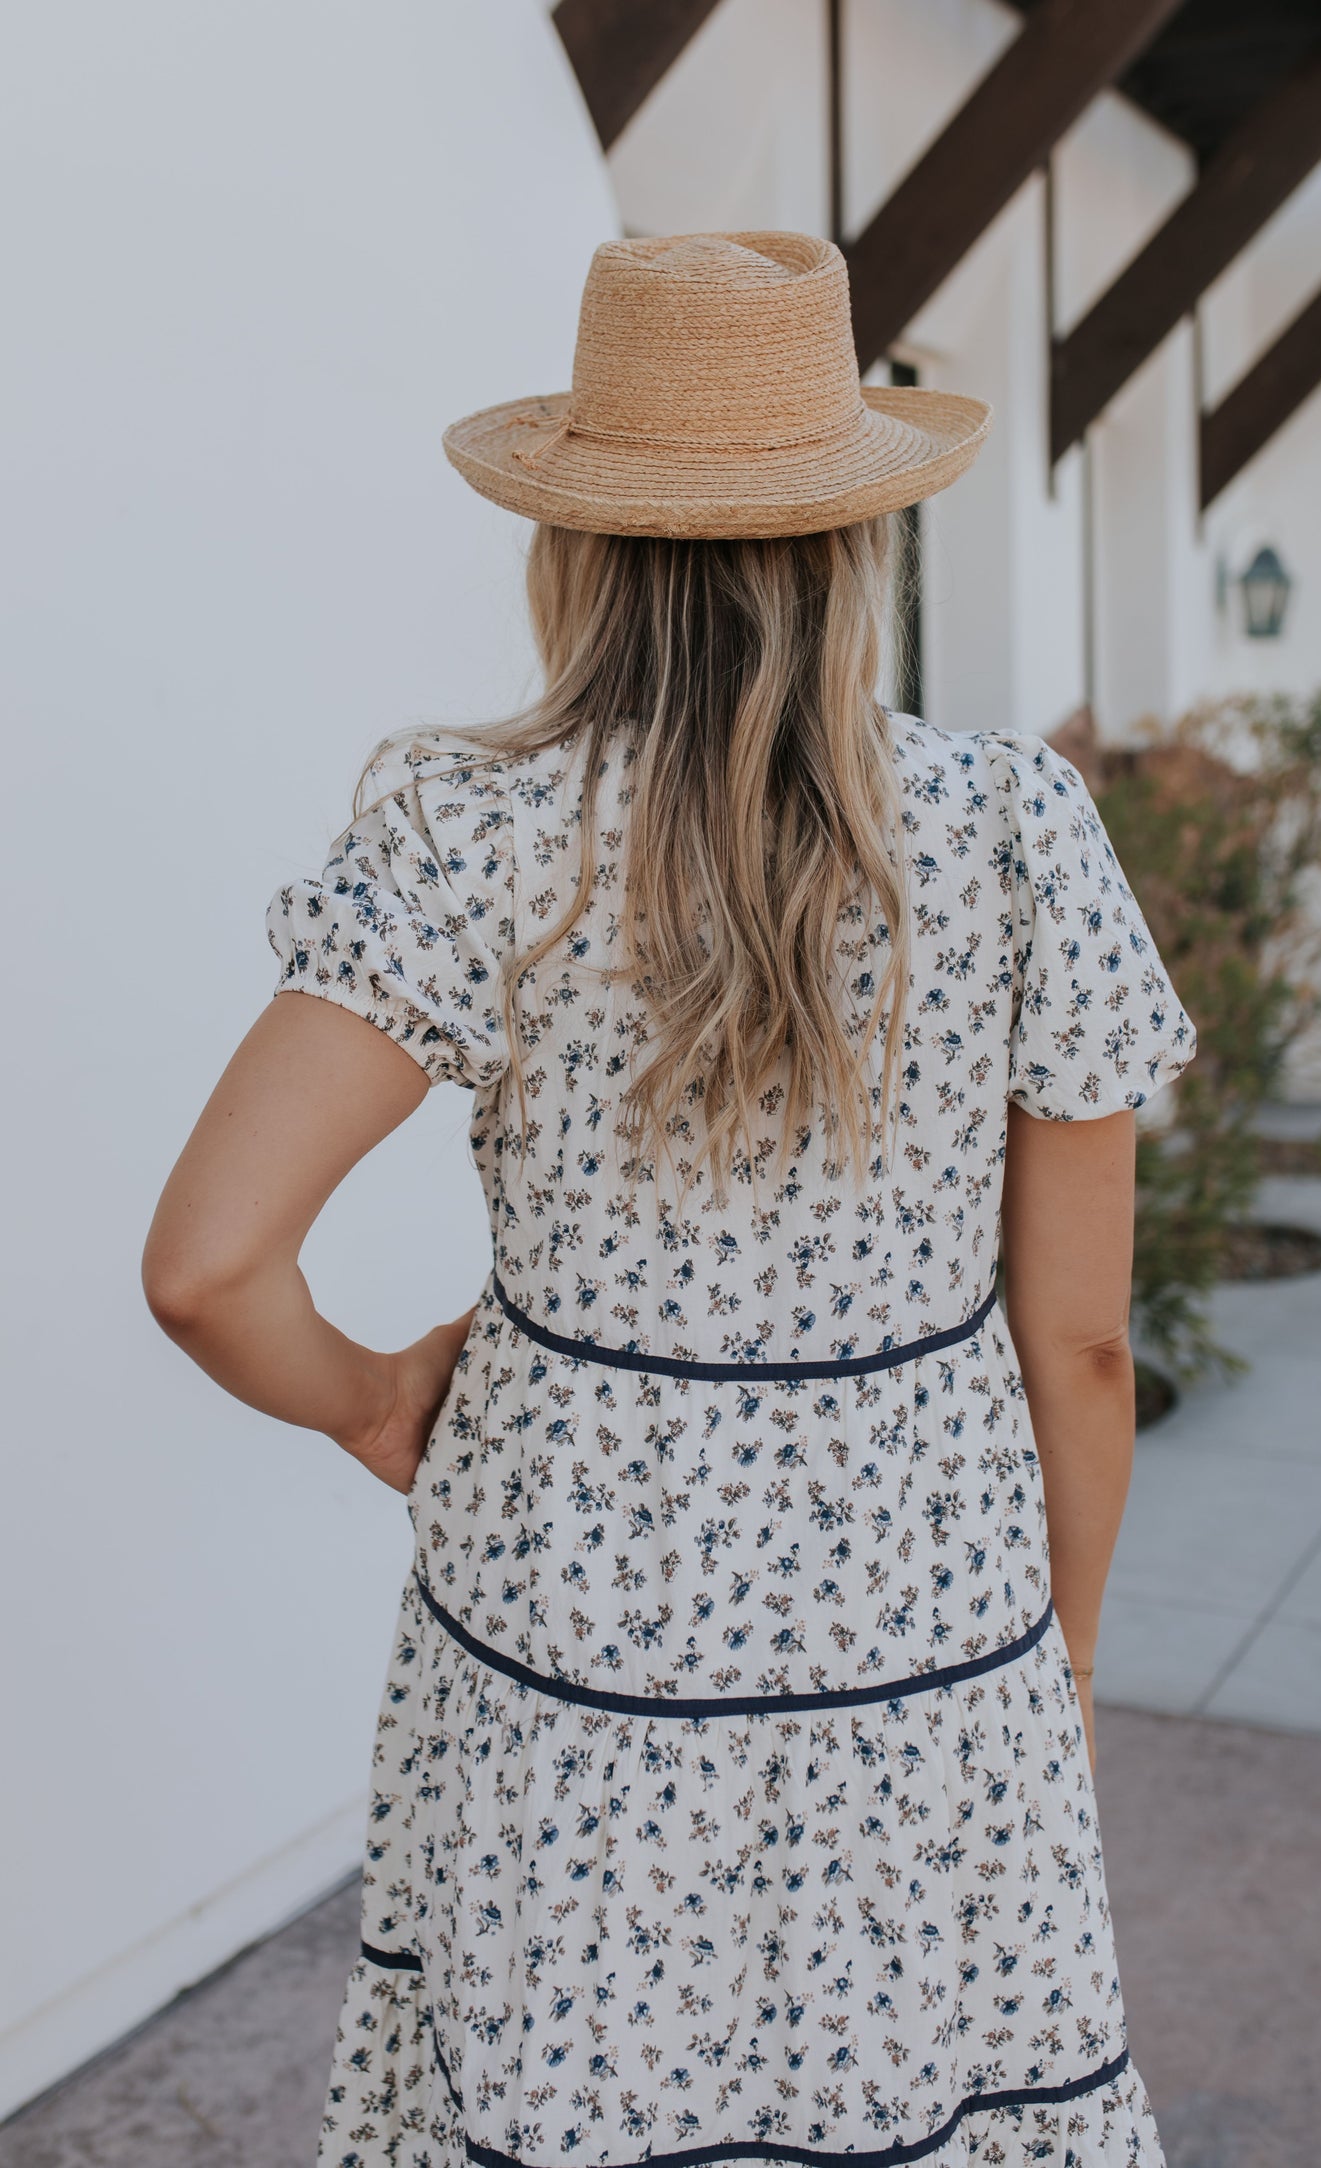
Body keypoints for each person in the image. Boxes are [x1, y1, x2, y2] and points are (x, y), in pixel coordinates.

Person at [144, 232, 1195, 2168]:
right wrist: (1065, 1656)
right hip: (927, 1609)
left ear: (577, 545)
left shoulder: (474, 827)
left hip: (570, 1596)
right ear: (853, 540)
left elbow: (213, 1268)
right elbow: (1084, 1338)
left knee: (568, 2090)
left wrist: (379, 1397)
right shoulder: (1010, 828)